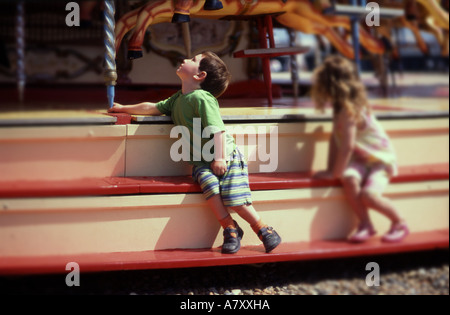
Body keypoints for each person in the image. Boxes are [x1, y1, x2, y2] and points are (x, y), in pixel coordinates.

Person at [109, 51, 281, 254]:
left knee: (234, 197)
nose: (185, 59)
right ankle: (230, 228)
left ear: (200, 76)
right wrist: (123, 107)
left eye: (193, 60)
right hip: (201, 162)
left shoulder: (202, 98)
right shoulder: (178, 99)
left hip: (225, 156)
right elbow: (153, 107)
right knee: (212, 192)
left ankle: (262, 228)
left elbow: (218, 130)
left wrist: (219, 157)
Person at [311, 55, 409, 243]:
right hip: (362, 160)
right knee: (349, 179)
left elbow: (347, 145)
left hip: (379, 160)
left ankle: (399, 222)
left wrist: (334, 173)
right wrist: (331, 169)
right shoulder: (339, 108)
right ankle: (365, 224)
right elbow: (335, 139)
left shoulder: (349, 111)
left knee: (368, 195)